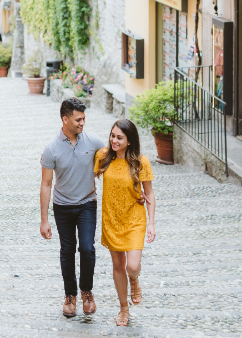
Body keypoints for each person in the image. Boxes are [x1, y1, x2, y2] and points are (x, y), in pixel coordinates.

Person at [40, 98, 106, 318]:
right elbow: (46, 184)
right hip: (63, 206)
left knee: (87, 248)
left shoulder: (94, 142)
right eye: (78, 119)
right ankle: (70, 295)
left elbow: (114, 158)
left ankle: (86, 291)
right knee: (67, 251)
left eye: (84, 119)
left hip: (87, 203)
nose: (82, 123)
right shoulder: (51, 149)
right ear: (65, 119)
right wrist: (44, 219)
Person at [94, 119, 156, 327]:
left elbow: (149, 194)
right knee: (118, 265)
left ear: (130, 141)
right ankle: (123, 308)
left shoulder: (141, 162)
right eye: (112, 135)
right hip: (111, 219)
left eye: (119, 137)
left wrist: (152, 223)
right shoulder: (103, 157)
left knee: (132, 265)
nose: (114, 140)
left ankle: (135, 279)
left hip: (134, 219)